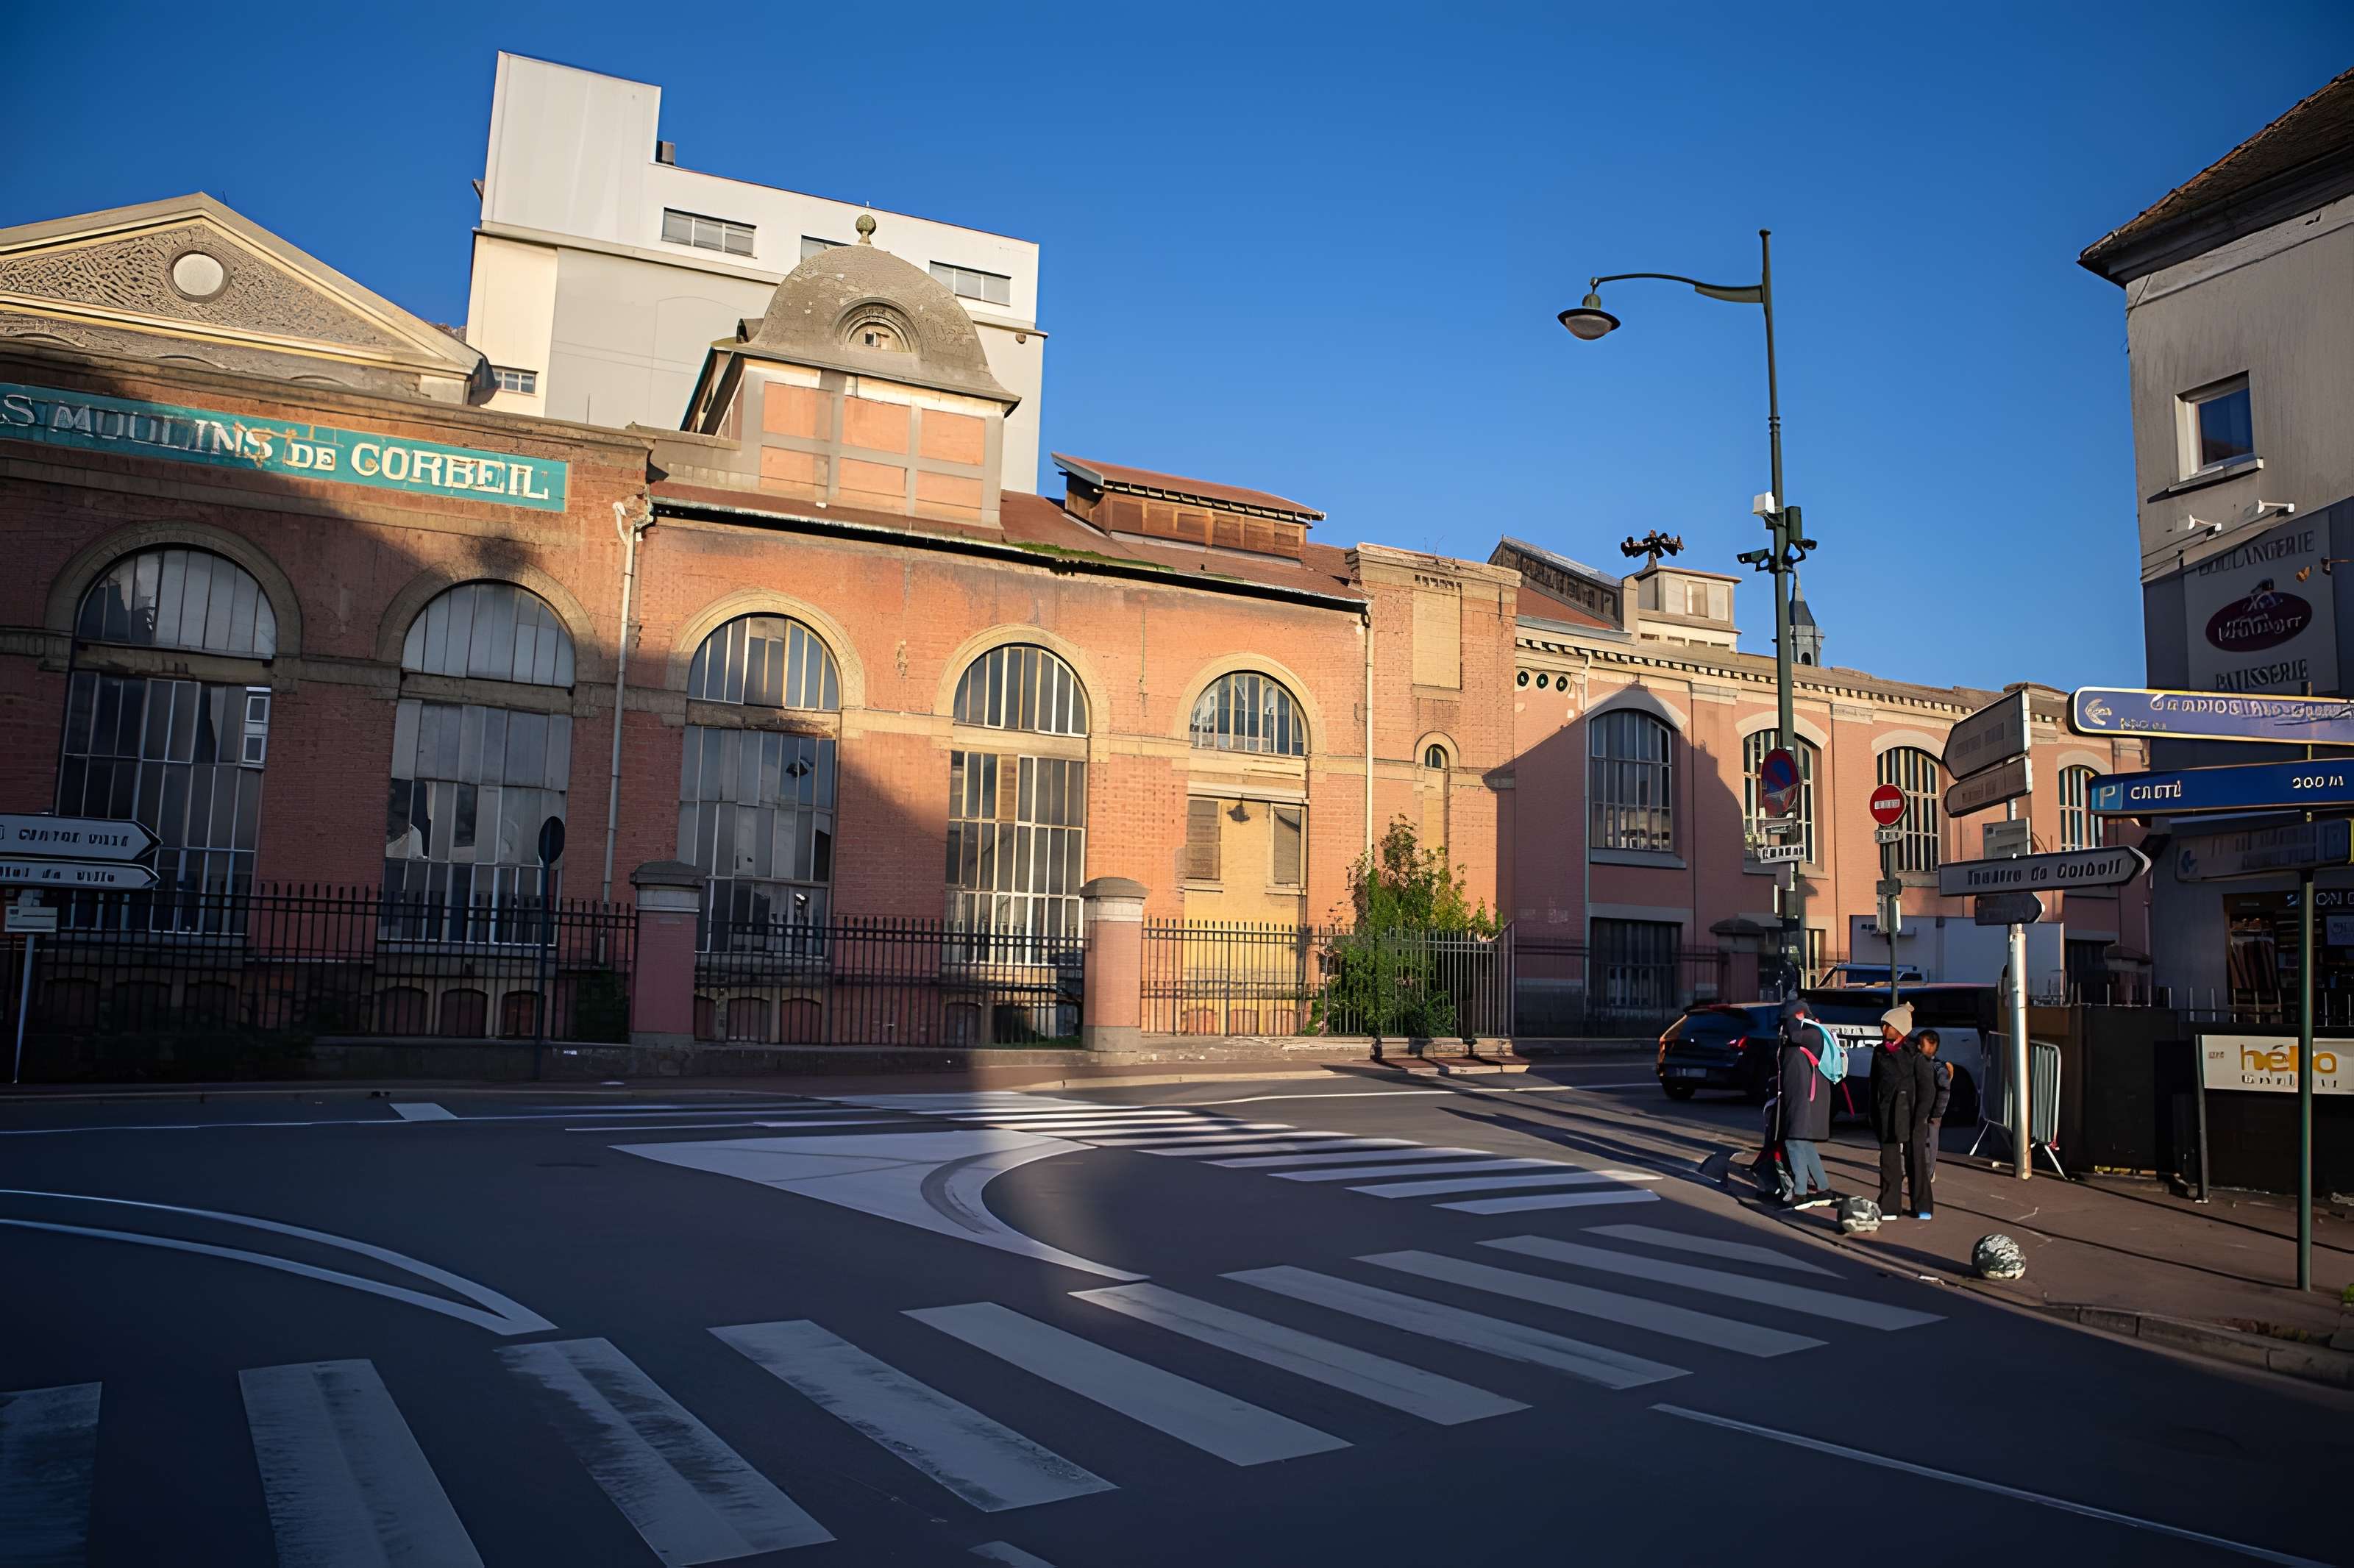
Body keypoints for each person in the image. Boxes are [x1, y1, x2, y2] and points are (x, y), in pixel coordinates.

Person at [1868, 1003, 1937, 1218]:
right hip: (1887, 1113)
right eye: (1883, 1025)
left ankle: (1922, 1206)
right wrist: (1873, 1111)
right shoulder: (1879, 1052)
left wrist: (1921, 1117)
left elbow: (1928, 1089)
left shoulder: (1915, 1055)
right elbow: (1874, 1084)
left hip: (1912, 1114)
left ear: (1900, 1028)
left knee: (1916, 1160)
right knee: (1888, 1161)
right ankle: (1890, 1206)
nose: (1884, 1030)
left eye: (1888, 1026)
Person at [1776, 997, 1838, 1210]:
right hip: (1800, 1096)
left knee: (1794, 1141)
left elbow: (1793, 1034)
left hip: (1806, 1098)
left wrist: (1794, 1018)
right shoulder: (1806, 1034)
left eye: (1787, 1019)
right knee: (1804, 1142)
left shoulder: (1811, 1033)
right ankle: (1823, 1188)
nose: (1783, 1025)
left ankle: (1801, 1192)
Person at [1916, 1028, 1950, 1219]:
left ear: (1932, 1045)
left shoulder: (1938, 1067)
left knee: (1930, 1147)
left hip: (1932, 1116)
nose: (1920, 1047)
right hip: (1924, 1114)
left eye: (1923, 1044)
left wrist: (1937, 1113)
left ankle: (1928, 1175)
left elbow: (1945, 1089)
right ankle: (1924, 1175)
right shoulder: (1924, 1063)